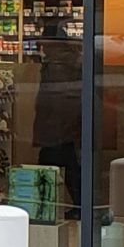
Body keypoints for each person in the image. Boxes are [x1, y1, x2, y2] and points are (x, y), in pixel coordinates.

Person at [29, 30, 84, 220]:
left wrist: (50, 125)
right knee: (70, 166)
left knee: (48, 165)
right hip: (64, 125)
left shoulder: (57, 65)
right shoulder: (67, 60)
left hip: (57, 126)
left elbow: (56, 97)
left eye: (43, 41)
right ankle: (78, 205)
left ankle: (44, 208)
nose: (40, 45)